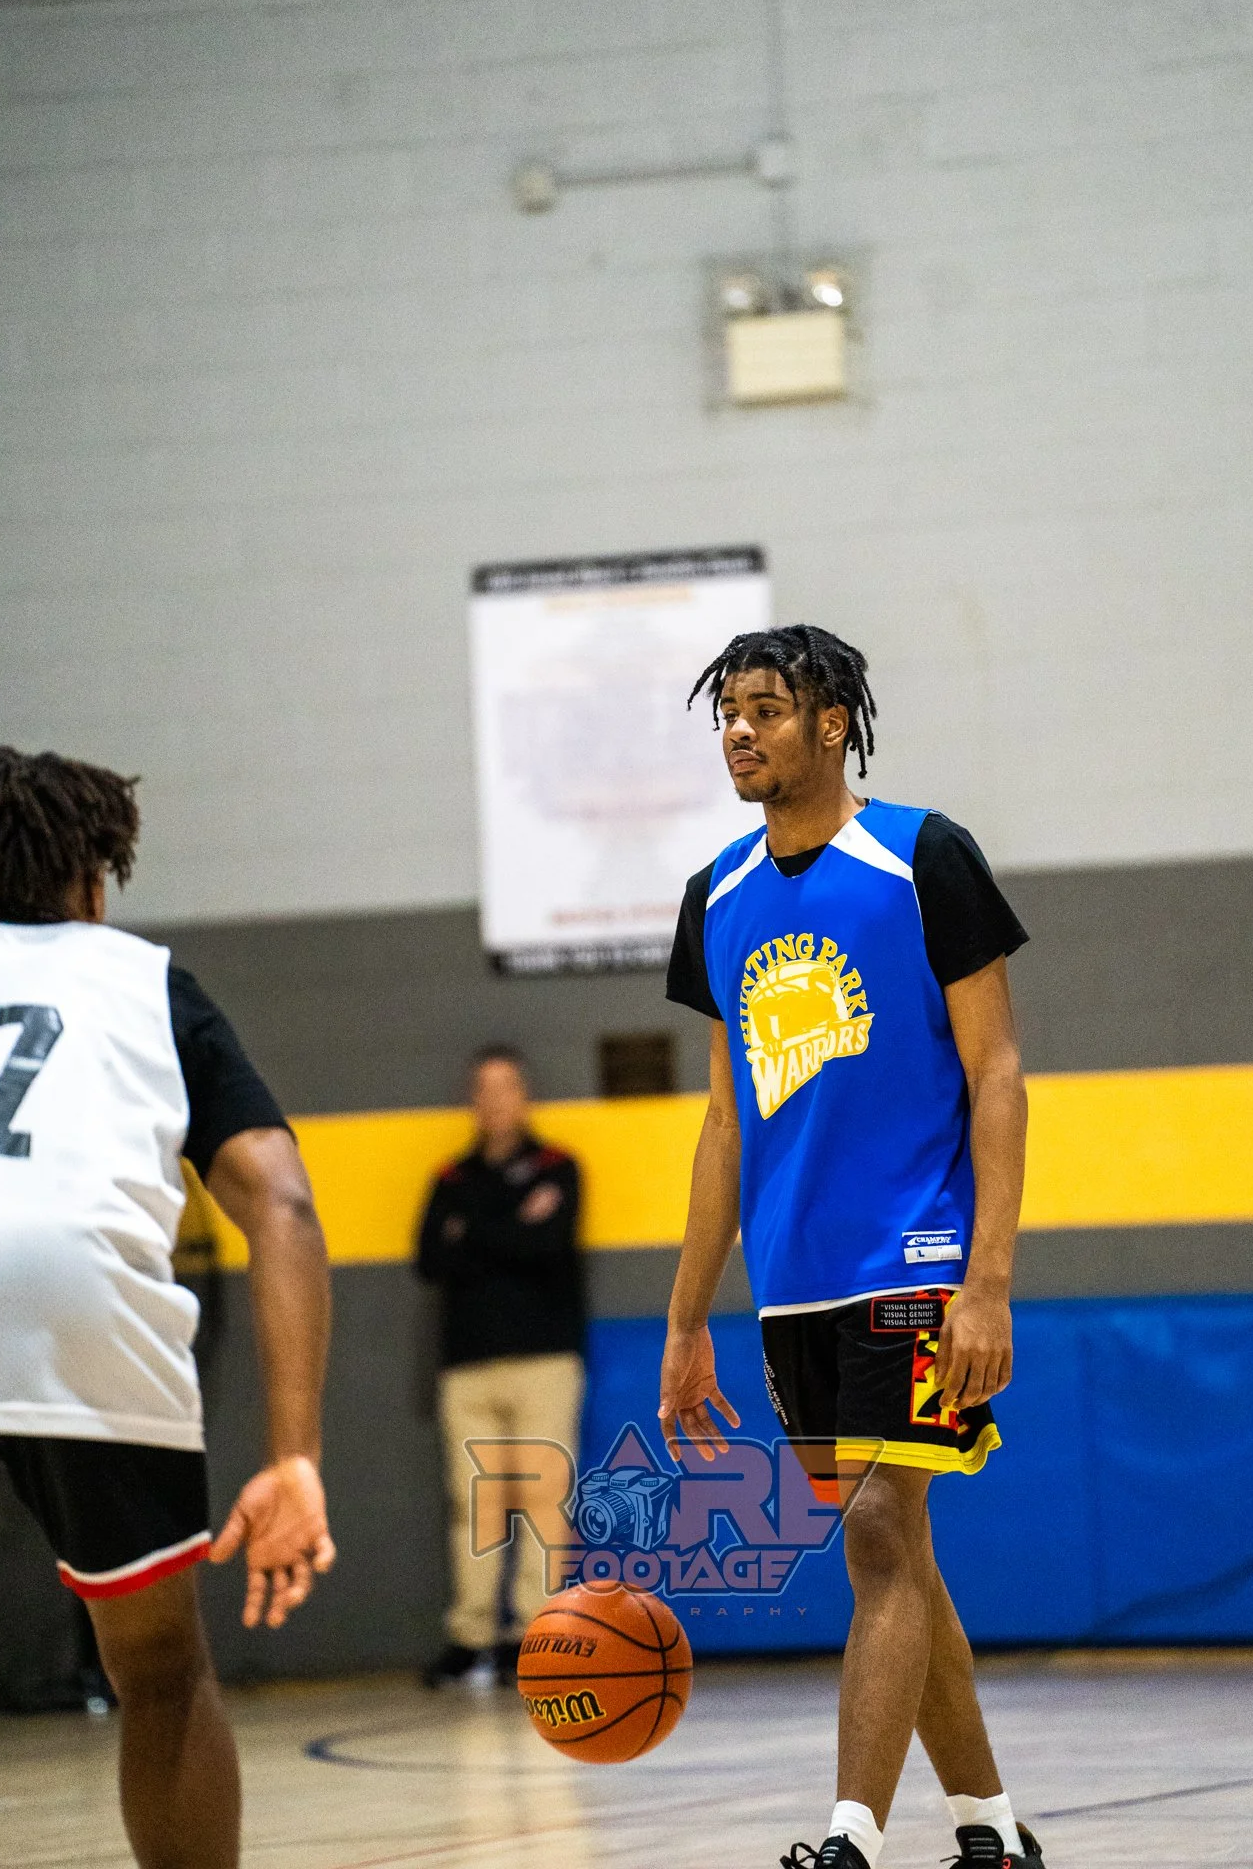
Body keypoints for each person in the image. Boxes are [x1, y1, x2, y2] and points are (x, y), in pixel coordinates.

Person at [659, 627, 1042, 1869]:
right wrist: (684, 1319)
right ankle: (990, 1828)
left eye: (765, 708)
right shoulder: (715, 893)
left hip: (919, 1258)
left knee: (882, 1526)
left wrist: (985, 1279)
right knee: (899, 1554)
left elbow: (997, 1073)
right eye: (728, 711)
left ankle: (849, 1840)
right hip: (794, 1286)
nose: (739, 729)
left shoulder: (923, 855)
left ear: (832, 724)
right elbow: (724, 1121)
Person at [0, 747, 335, 1869]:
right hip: (82, 1298)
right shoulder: (141, 978)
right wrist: (295, 1454)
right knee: (159, 1674)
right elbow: (280, 1199)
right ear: (95, 881)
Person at [416, 1045, 585, 1685]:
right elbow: (430, 1259)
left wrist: (475, 1233)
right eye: (483, 1088)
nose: (495, 1100)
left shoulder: (559, 1167)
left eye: (506, 1087)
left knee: (544, 1501)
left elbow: (548, 1246)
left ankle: (535, 1636)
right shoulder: (449, 1179)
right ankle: (472, 1636)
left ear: (524, 1095)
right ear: (472, 1100)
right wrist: (511, 1224)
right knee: (474, 1504)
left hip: (545, 1358)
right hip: (467, 1365)